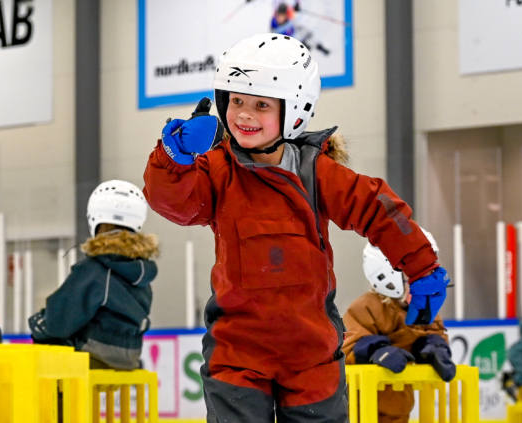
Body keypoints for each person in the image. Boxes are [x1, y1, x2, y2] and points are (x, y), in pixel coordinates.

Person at [143, 33, 447, 422]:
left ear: (296, 110)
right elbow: (175, 204)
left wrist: (422, 266)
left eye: (261, 105)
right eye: (236, 101)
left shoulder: (315, 173)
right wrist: (175, 157)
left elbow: (378, 208)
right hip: (237, 351)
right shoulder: (218, 170)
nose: (244, 114)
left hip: (312, 352)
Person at [29, 180, 158, 370]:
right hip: (129, 358)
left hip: (94, 358)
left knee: (41, 351)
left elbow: (58, 322)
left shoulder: (95, 270)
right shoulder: (141, 273)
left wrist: (38, 322)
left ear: (94, 219)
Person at [342, 229, 455, 423]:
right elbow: (349, 347)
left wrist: (433, 347)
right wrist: (374, 350)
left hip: (399, 407)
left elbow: (435, 331)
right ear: (387, 273)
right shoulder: (367, 307)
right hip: (361, 410)